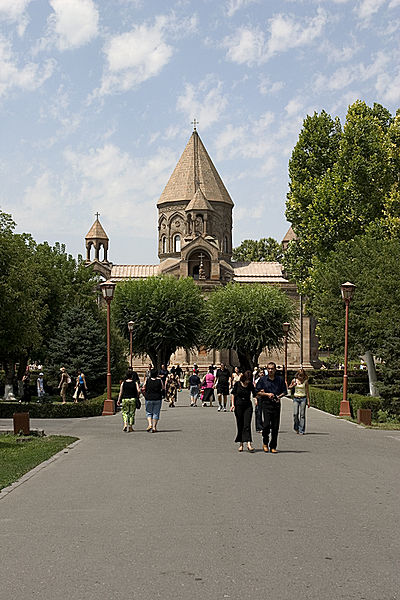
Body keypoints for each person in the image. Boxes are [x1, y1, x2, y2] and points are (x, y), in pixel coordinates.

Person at [255, 362, 287, 453]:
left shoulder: (280, 380)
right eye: (269, 369)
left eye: (272, 369)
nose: (270, 370)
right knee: (266, 425)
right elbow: (257, 392)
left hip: (276, 404)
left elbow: (285, 391)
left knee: (275, 426)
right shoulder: (263, 380)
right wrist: (267, 394)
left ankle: (273, 446)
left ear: (275, 370)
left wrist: (278, 397)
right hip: (266, 403)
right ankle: (265, 442)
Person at [230, 370, 255, 453]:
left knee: (247, 424)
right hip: (239, 405)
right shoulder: (237, 384)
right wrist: (232, 405)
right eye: (247, 380)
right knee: (240, 424)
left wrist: (256, 400)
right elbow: (233, 394)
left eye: (249, 380)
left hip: (248, 405)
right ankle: (241, 444)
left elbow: (254, 393)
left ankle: (248, 443)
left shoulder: (250, 385)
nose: (248, 382)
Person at [288, 368, 310, 435]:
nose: (300, 377)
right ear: (297, 375)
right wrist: (293, 385)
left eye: (302, 375)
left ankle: (301, 430)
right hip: (296, 398)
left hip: (303, 398)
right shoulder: (294, 380)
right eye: (299, 375)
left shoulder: (305, 381)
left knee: (302, 415)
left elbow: (307, 392)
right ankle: (296, 427)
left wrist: (308, 401)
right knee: (295, 414)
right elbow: (289, 387)